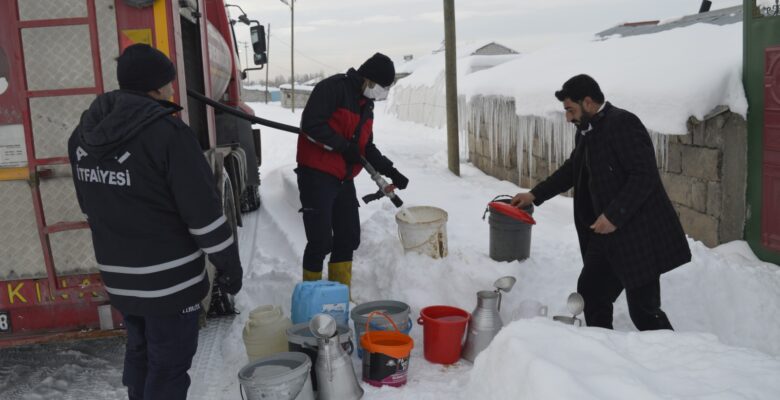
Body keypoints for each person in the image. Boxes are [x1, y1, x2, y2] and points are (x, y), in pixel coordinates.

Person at [68, 44, 242, 400]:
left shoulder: (81, 136)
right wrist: (229, 265)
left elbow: (89, 205)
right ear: (155, 88)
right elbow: (204, 216)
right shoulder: (168, 135)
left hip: (121, 280)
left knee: (141, 351)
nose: (173, 90)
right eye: (169, 83)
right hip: (169, 284)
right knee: (169, 366)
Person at [511, 74, 690, 331]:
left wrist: (614, 216)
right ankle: (603, 350)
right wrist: (535, 195)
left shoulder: (623, 124)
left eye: (570, 110)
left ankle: (671, 361)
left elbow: (644, 175)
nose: (568, 118)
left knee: (644, 311)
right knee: (591, 293)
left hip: (637, 235)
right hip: (605, 235)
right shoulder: (587, 130)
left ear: (588, 102)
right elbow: (573, 169)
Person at [296, 52, 409, 290]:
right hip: (317, 173)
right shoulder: (333, 89)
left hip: (343, 178)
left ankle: (339, 294)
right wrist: (342, 146)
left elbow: (365, 147)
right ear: (368, 78)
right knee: (320, 241)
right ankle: (311, 295)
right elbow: (311, 125)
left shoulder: (366, 105)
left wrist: (391, 171)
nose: (383, 93)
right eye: (382, 86)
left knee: (348, 237)